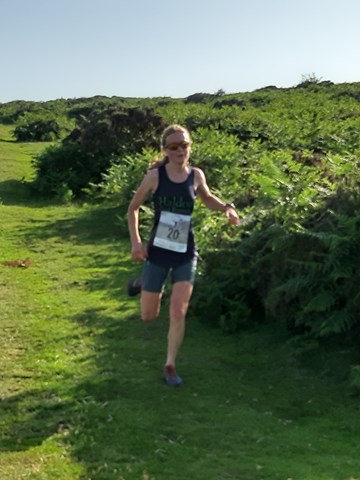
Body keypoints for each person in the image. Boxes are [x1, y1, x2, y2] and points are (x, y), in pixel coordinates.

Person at [127, 124, 239, 386]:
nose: (180, 150)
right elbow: (133, 209)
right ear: (165, 150)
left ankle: (170, 365)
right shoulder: (155, 177)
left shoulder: (196, 175)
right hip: (157, 251)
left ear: (190, 147)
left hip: (185, 252)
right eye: (174, 146)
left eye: (184, 145)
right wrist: (136, 242)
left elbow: (207, 198)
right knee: (148, 316)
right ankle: (145, 284)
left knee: (178, 311)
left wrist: (226, 209)